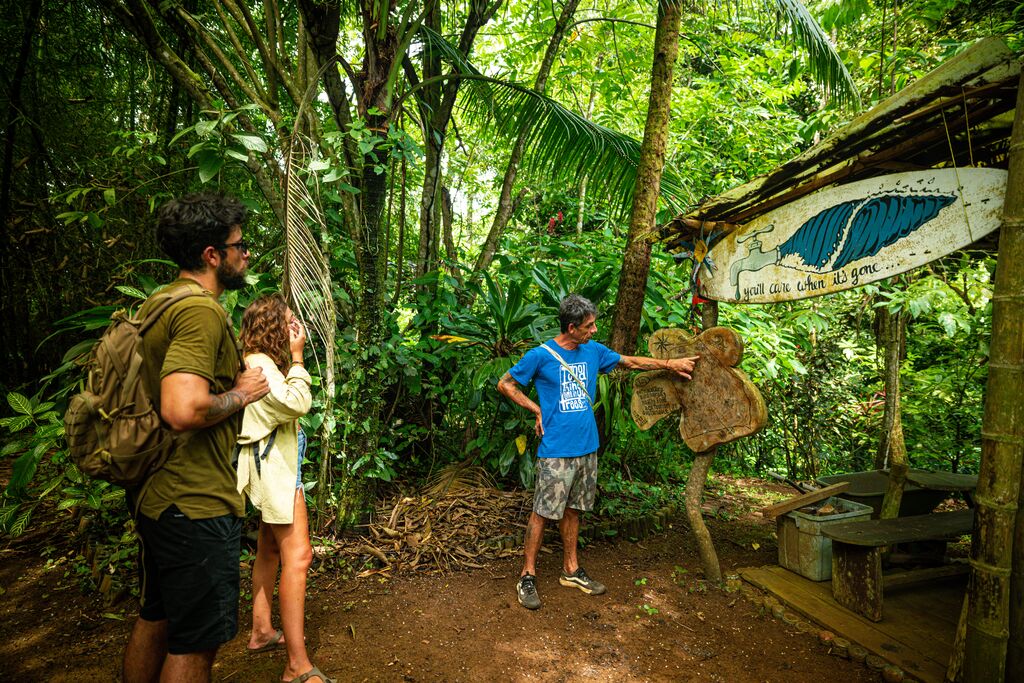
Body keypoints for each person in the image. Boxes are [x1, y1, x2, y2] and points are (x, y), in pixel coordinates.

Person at [122, 193, 271, 683]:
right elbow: (182, 408)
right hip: (194, 502)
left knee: (158, 619)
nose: (246, 254)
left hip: (157, 496)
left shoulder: (159, 303)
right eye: (239, 245)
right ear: (212, 255)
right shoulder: (200, 312)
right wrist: (242, 393)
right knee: (195, 645)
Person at [497, 294, 698, 610]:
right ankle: (527, 574)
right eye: (589, 326)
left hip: (587, 447)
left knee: (575, 509)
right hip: (556, 450)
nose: (594, 330)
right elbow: (506, 384)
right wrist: (536, 409)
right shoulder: (541, 355)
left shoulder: (593, 351)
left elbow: (629, 361)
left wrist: (670, 365)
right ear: (572, 327)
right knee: (542, 512)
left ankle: (571, 569)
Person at [236, 294, 332, 683]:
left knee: (269, 547)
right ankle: (297, 665)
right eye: (291, 323)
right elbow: (297, 402)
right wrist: (297, 357)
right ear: (275, 329)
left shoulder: (255, 363)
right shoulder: (261, 368)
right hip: (276, 469)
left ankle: (261, 630)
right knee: (300, 556)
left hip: (268, 466)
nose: (297, 329)